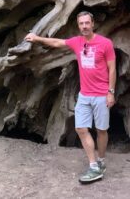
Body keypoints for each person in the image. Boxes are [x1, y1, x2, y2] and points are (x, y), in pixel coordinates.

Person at [25, 11, 116, 183]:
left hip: (101, 95)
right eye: (81, 23)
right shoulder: (77, 42)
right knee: (81, 128)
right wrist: (37, 38)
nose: (84, 26)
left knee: (102, 130)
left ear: (93, 24)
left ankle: (101, 160)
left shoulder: (105, 43)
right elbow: (57, 42)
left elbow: (112, 69)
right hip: (84, 95)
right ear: (78, 25)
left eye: (87, 23)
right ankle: (94, 166)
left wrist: (110, 92)